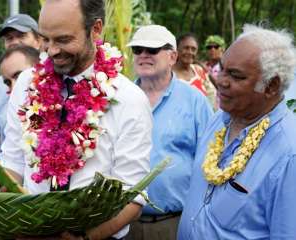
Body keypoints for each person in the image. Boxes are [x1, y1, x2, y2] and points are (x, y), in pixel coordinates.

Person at [0, 0, 152, 239]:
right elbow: (13, 162)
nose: (51, 51)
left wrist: (85, 237)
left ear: (96, 29)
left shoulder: (129, 99)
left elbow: (132, 195)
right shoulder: (27, 84)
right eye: (45, 39)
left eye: (63, 40)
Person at [178, 24, 296, 239]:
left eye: (235, 76)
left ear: (271, 86)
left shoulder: (290, 154)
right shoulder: (218, 120)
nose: (221, 81)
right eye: (222, 69)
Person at [125, 25, 213, 240]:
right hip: (121, 224)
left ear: (172, 56)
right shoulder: (120, 97)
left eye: (152, 50)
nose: (143, 55)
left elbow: (211, 160)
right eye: (137, 49)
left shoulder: (195, 101)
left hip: (174, 224)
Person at [0, 14, 41, 156]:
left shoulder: (53, 79)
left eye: (21, 36)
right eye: (9, 38)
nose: (14, 42)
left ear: (38, 40)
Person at [173, 33, 216, 106]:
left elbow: (211, 95)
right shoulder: (168, 74)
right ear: (177, 49)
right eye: (186, 48)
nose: (190, 52)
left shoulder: (199, 70)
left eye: (193, 49)